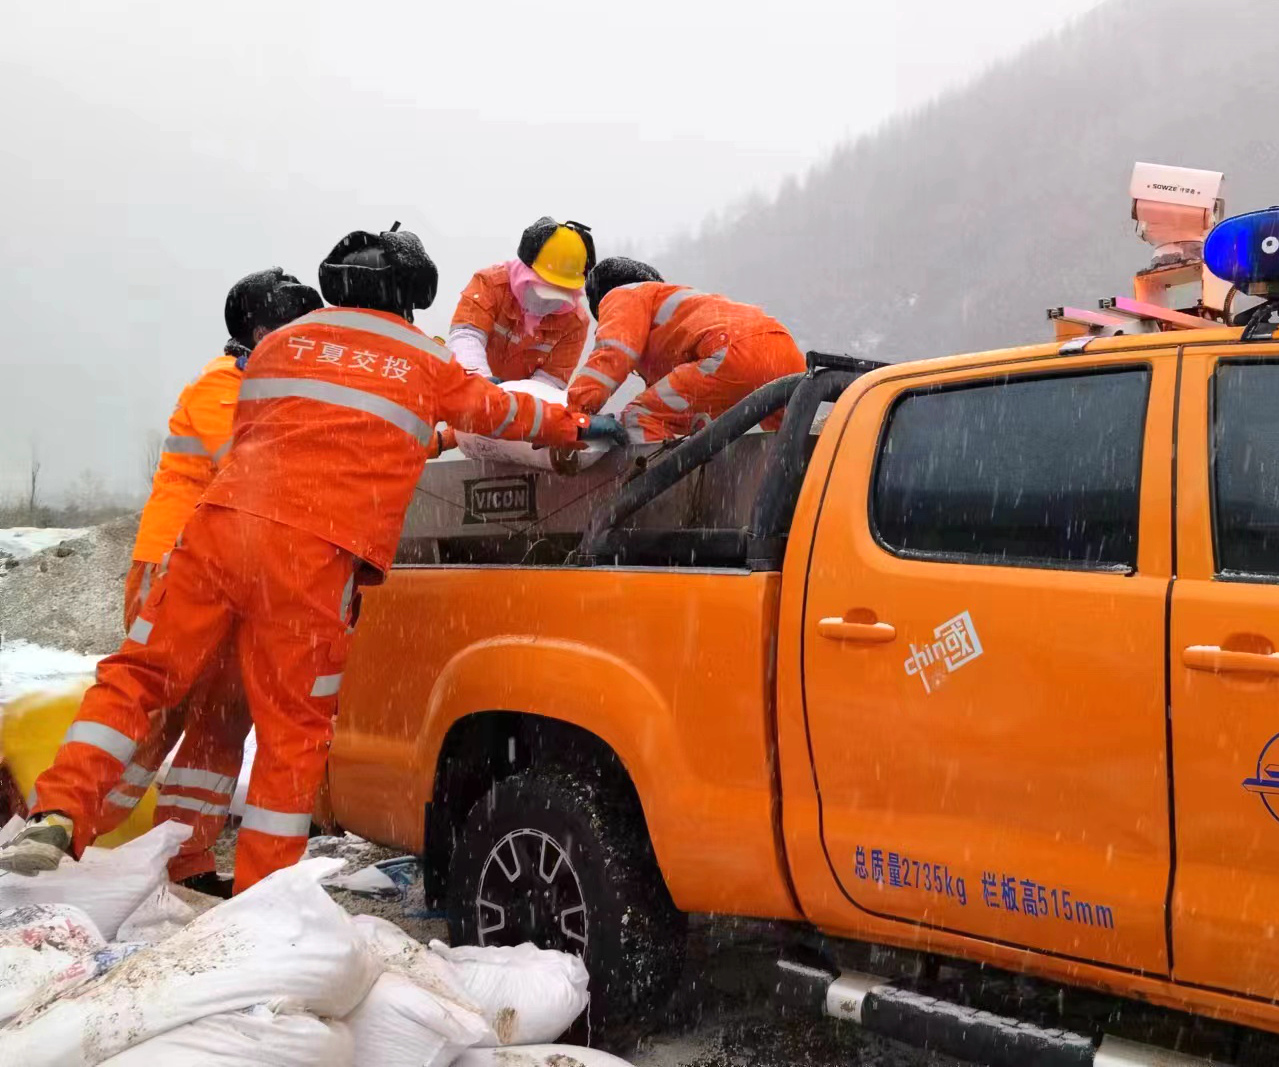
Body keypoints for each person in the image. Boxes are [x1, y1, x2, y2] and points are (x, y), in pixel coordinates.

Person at [0, 225, 626, 890]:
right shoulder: (422, 357)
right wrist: (581, 425)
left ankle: (62, 808)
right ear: (408, 297)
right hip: (312, 556)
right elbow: (498, 412)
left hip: (216, 535)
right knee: (290, 732)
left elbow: (273, 434)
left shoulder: (275, 348)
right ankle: (260, 895)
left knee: (141, 676)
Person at [97, 269, 322, 895]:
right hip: (175, 571)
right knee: (156, 714)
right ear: (261, 331)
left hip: (236, 579)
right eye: (298, 334)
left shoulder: (271, 390)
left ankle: (185, 861)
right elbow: (255, 466)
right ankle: (73, 834)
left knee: (223, 724)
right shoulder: (223, 387)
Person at [568, 258, 807, 441]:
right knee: (791, 443)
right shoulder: (679, 306)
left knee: (640, 417)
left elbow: (614, 353)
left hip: (729, 353)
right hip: (783, 351)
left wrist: (574, 415)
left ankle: (659, 502)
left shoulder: (625, 294)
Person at [447, 218, 594, 388]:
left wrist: (515, 402)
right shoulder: (490, 285)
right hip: (465, 390)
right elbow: (466, 336)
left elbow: (550, 380)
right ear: (528, 271)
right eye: (545, 290)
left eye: (560, 294)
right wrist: (481, 385)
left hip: (518, 408)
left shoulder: (575, 323)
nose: (548, 302)